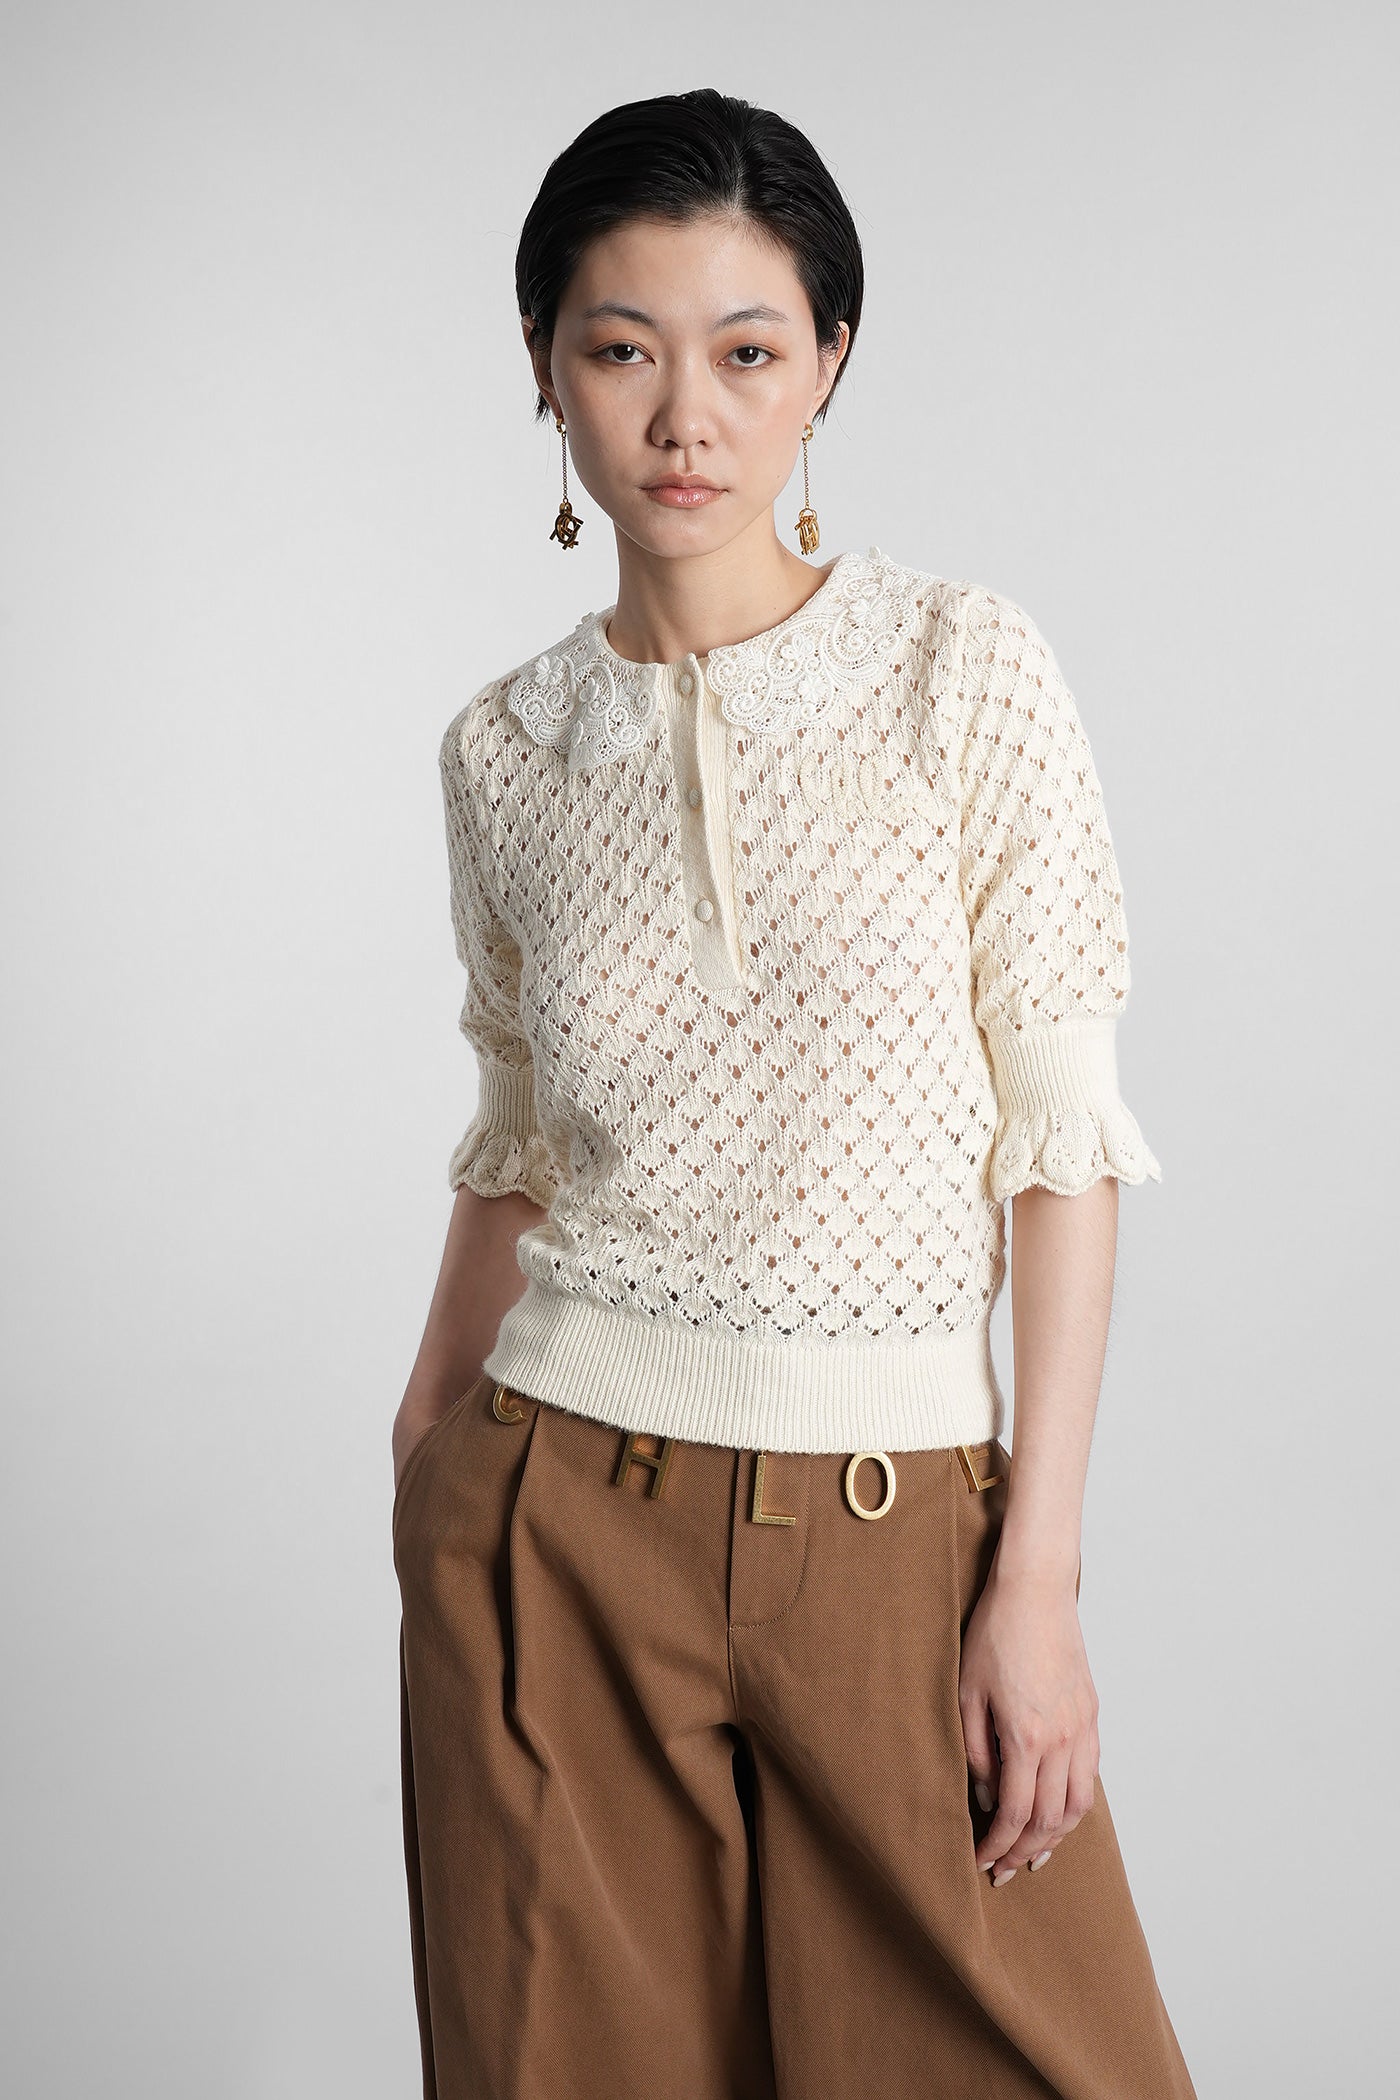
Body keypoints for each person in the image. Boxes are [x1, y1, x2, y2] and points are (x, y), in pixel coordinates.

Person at [391, 86, 1196, 2100]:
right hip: (557, 1528)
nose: (686, 417)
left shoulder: (960, 673)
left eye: (747, 352)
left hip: (898, 1530)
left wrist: (1035, 1581)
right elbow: (518, 1132)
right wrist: (426, 1435)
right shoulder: (503, 752)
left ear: (829, 363)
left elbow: (1062, 1149)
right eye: (621, 349)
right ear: (543, 369)